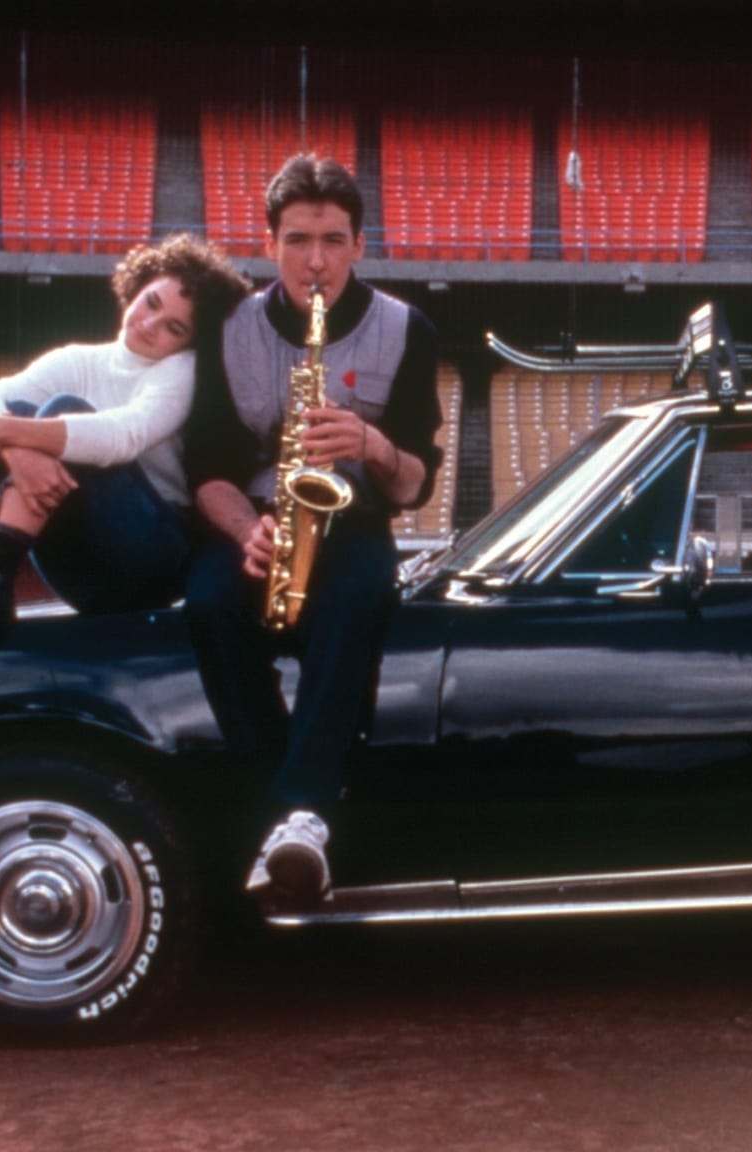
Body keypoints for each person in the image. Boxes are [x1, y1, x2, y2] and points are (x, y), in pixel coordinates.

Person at [181, 154, 441, 908]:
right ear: (270, 244)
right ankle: (282, 809)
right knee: (209, 605)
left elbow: (415, 483)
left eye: (332, 241)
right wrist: (247, 533)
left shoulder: (408, 328)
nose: (316, 262)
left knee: (355, 601)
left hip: (352, 517)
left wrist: (373, 445)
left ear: (359, 245)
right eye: (297, 240)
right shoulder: (228, 329)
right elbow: (208, 467)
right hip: (255, 514)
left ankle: (301, 813)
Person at [0, 233, 250, 628]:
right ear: (136, 288)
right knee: (15, 411)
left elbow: (123, 436)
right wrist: (10, 443)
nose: (151, 325)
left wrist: (8, 433)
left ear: (190, 342)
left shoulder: (183, 370)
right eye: (151, 302)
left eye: (174, 328)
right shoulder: (78, 359)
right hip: (79, 568)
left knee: (58, 412)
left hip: (151, 560)